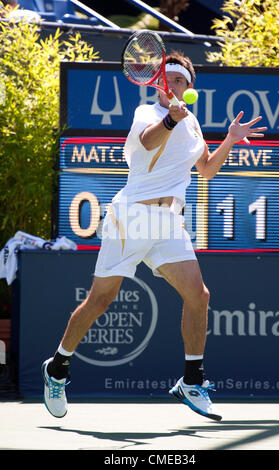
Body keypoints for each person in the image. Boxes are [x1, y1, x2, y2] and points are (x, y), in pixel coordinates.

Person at [42, 51, 266, 421]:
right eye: (168, 79)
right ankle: (57, 368)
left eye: (180, 81)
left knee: (199, 295)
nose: (173, 86)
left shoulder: (191, 122)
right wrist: (169, 120)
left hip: (168, 224)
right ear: (158, 83)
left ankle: (192, 381)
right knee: (100, 300)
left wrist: (228, 138)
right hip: (131, 218)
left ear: (188, 88)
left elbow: (207, 169)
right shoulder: (149, 114)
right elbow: (147, 143)